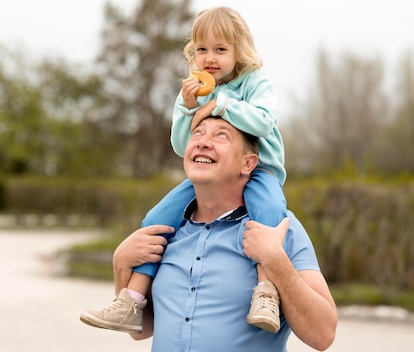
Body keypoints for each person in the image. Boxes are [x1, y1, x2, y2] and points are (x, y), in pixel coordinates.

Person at [80, 6, 287, 334]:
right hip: (209, 174)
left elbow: (263, 121)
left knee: (271, 211)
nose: (210, 58)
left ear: (239, 51)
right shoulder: (193, 89)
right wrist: (189, 109)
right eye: (202, 49)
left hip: (258, 170)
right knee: (156, 219)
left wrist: (220, 105)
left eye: (221, 49)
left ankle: (266, 293)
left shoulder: (253, 82)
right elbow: (181, 144)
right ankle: (131, 300)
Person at [118, 116, 337, 351]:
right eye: (198, 133)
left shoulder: (280, 229)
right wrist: (121, 264)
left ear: (248, 164)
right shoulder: (166, 232)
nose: (203, 142)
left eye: (221, 135)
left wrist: (275, 261)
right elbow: (141, 330)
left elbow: (322, 335)